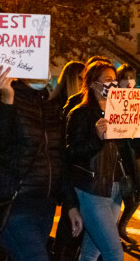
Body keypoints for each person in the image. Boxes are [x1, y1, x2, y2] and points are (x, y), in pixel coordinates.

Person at [0, 66, 83, 261]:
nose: (43, 69)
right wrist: (7, 99)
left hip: (45, 205)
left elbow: (58, 158)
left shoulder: (51, 106)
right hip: (14, 202)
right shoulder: (8, 98)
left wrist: (71, 205)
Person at [66, 61, 140, 261]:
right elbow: (71, 153)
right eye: (108, 80)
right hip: (93, 189)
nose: (113, 84)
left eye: (115, 80)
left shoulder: (119, 110)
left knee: (91, 252)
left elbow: (132, 146)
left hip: (115, 189)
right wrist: (96, 139)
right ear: (92, 83)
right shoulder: (80, 113)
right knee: (114, 253)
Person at [50, 60, 86, 261]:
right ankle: (59, 252)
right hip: (60, 169)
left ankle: (62, 252)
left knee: (70, 216)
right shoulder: (62, 105)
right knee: (68, 215)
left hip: (73, 169)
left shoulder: (82, 104)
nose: (83, 82)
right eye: (80, 78)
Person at [115, 64, 140, 245]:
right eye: (125, 78)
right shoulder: (112, 101)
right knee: (123, 194)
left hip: (135, 152)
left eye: (132, 78)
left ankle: (121, 226)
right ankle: (115, 232)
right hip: (119, 154)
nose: (129, 82)